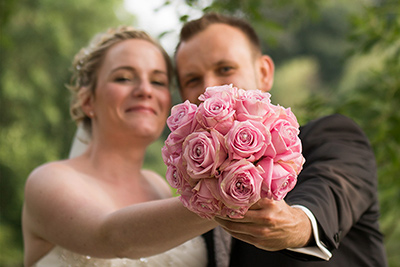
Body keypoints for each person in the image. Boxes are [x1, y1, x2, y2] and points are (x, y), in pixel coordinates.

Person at [174, 13, 387, 266]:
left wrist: (298, 224)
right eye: (193, 80)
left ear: (264, 73)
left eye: (225, 69)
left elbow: (330, 194)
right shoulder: (192, 189)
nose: (209, 88)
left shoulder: (332, 136)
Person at [22, 26, 217, 267]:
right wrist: (226, 199)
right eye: (123, 78)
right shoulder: (48, 180)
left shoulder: (159, 187)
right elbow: (112, 238)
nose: (145, 90)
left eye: (157, 82)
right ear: (87, 100)